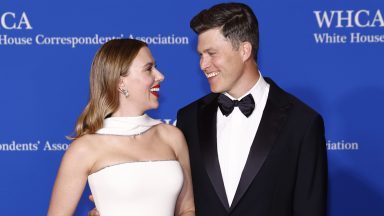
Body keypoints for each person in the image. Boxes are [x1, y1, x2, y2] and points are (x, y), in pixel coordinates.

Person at [175, 2, 328, 216]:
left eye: (211, 53)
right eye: (201, 54)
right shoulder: (188, 118)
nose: (203, 64)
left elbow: (310, 209)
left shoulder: (302, 122)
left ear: (244, 50)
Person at [47, 39, 195, 216]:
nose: (160, 76)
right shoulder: (85, 148)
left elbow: (187, 209)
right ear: (120, 83)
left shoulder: (172, 136)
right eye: (149, 69)